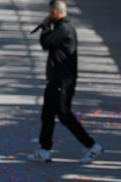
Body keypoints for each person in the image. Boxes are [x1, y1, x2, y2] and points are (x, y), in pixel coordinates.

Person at [31, 0, 103, 163]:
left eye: (50, 13)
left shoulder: (64, 28)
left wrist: (45, 27)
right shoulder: (62, 27)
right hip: (55, 79)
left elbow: (45, 43)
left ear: (55, 13)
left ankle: (92, 146)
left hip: (63, 80)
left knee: (64, 114)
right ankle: (44, 150)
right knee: (47, 113)